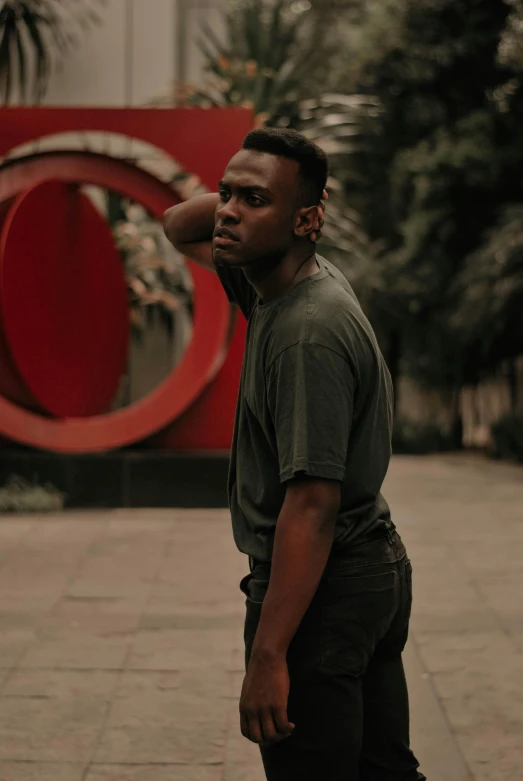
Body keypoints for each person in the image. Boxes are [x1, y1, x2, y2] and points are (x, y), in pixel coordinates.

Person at [163, 127, 425, 781]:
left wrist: (268, 654)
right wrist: (251, 189)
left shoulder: (307, 331)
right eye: (226, 194)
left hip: (326, 588)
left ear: (307, 219)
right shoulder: (275, 280)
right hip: (367, 570)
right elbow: (175, 223)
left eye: (253, 199)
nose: (225, 211)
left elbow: (311, 503)